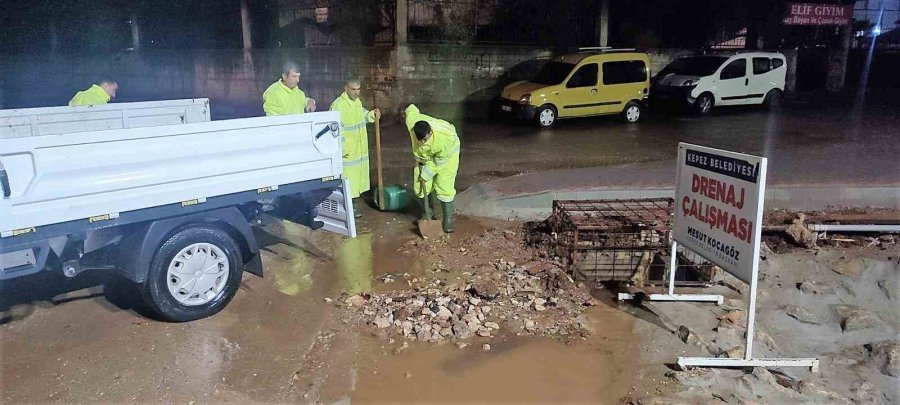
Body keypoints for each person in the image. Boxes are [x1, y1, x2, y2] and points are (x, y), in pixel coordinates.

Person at [402, 104, 461, 233]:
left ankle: (448, 220)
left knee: (444, 186)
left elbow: (439, 163)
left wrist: (426, 174)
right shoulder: (413, 124)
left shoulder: (444, 139)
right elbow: (411, 109)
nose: (422, 142)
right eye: (420, 140)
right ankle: (427, 213)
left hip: (447, 156)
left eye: (425, 139)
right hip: (425, 158)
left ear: (430, 132)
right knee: (420, 186)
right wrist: (406, 109)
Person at [329, 80, 381, 207]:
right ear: (346, 88)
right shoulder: (339, 105)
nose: (357, 92)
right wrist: (343, 149)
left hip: (358, 150)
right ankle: (348, 210)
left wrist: (371, 115)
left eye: (358, 89)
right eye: (353, 89)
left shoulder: (356, 102)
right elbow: (334, 131)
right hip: (348, 152)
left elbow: (361, 115)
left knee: (356, 181)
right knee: (348, 182)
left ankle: (353, 206)